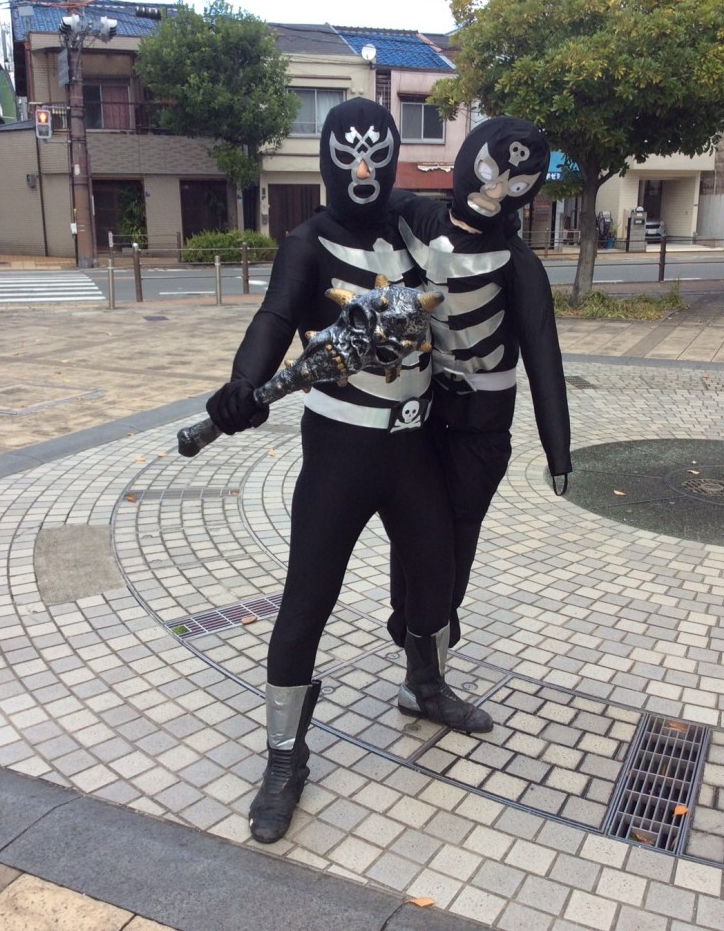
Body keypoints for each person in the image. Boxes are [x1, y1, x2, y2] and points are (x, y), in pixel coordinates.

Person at [205, 98, 493, 846]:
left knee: (435, 578)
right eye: (348, 155)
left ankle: (424, 685)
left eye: (376, 154)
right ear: (326, 161)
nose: (362, 170)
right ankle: (284, 756)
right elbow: (274, 318)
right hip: (340, 452)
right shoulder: (307, 243)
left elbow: (477, 239)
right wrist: (244, 382)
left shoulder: (413, 227)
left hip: (415, 448)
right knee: (308, 599)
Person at [387, 115, 572, 650]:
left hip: (483, 426)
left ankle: (435, 627)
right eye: (490, 173)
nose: (494, 193)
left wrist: (558, 450)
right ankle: (410, 618)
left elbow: (544, 356)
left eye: (514, 186)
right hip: (421, 413)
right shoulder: (416, 216)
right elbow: (364, 207)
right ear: (469, 160)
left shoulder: (518, 263)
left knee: (460, 529)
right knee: (412, 522)